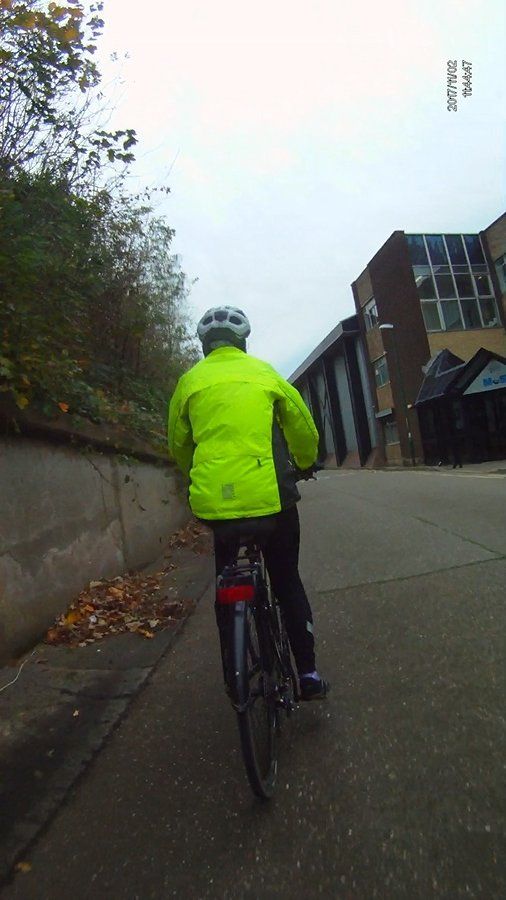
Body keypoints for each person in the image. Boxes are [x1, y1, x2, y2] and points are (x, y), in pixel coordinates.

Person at [167, 305, 329, 700]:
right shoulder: (264, 373)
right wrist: (305, 462)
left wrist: (195, 474)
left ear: (205, 346)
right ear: (242, 341)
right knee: (286, 580)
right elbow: (302, 425)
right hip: (271, 501)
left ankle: (233, 671)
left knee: (228, 578)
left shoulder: (189, 382)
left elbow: (178, 444)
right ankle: (307, 674)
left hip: (215, 505)